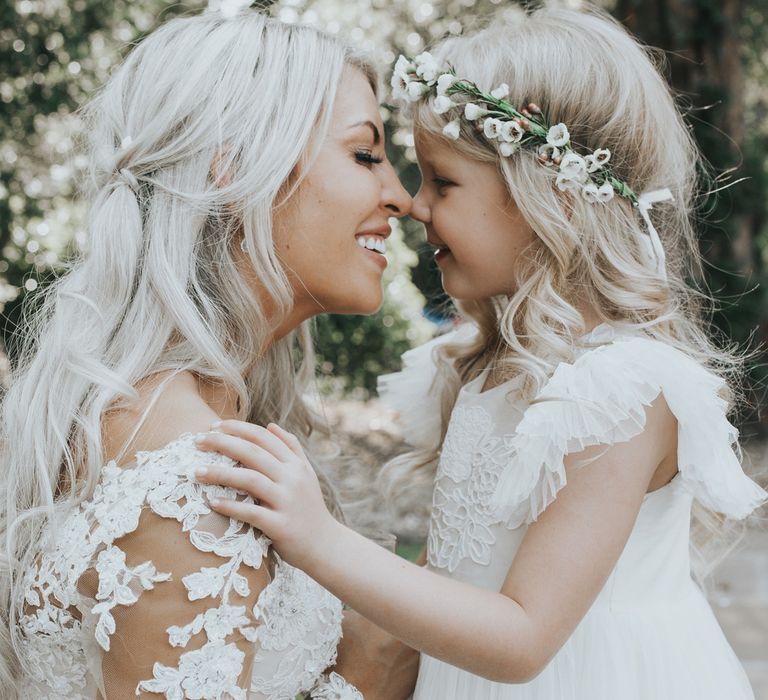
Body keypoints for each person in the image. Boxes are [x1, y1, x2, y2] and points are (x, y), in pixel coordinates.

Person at [192, 5, 768, 699]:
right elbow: (459, 574)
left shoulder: (622, 390)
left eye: (444, 181)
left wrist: (320, 540)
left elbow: (523, 638)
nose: (417, 205)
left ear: (548, 197)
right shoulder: (483, 362)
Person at [0, 7, 418, 699]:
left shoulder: (138, 413)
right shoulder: (191, 482)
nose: (400, 195)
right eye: (365, 154)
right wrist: (372, 665)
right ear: (236, 172)